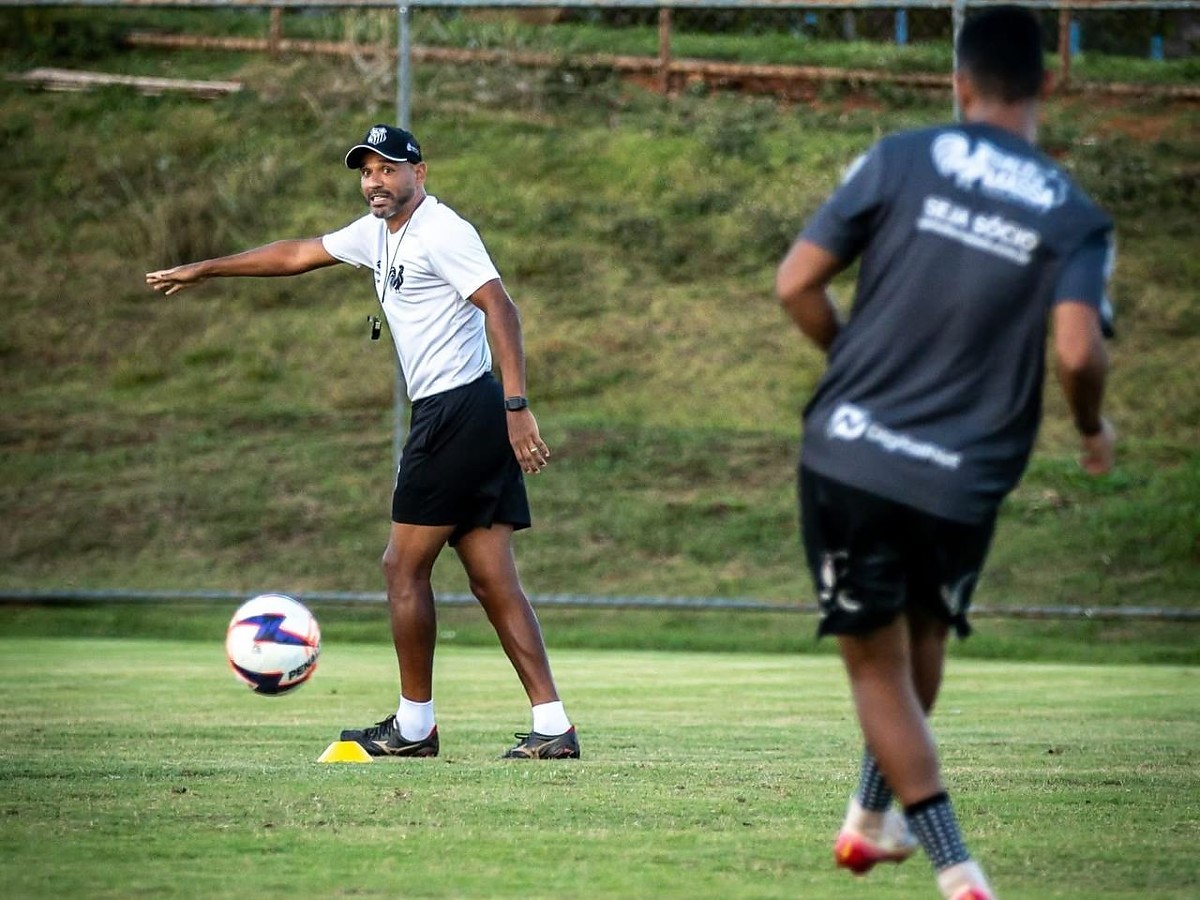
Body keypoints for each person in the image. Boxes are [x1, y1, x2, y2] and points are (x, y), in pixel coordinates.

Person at [774, 7, 1115, 899]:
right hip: (964, 475)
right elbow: (1080, 351)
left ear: (957, 82)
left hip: (853, 454)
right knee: (924, 630)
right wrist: (1090, 428)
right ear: (1048, 84)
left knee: (875, 662)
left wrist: (848, 364)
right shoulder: (1077, 217)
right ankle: (864, 821)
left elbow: (796, 284)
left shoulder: (900, 157)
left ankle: (959, 872)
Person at [147, 124, 579, 760]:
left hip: (461, 409)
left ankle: (414, 728)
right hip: (466, 410)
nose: (375, 182)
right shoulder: (374, 233)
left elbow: (501, 307)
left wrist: (518, 406)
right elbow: (296, 254)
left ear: (419, 175)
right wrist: (207, 269)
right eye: (366, 171)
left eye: (388, 170)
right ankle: (553, 726)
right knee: (491, 579)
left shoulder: (442, 230)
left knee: (401, 567)